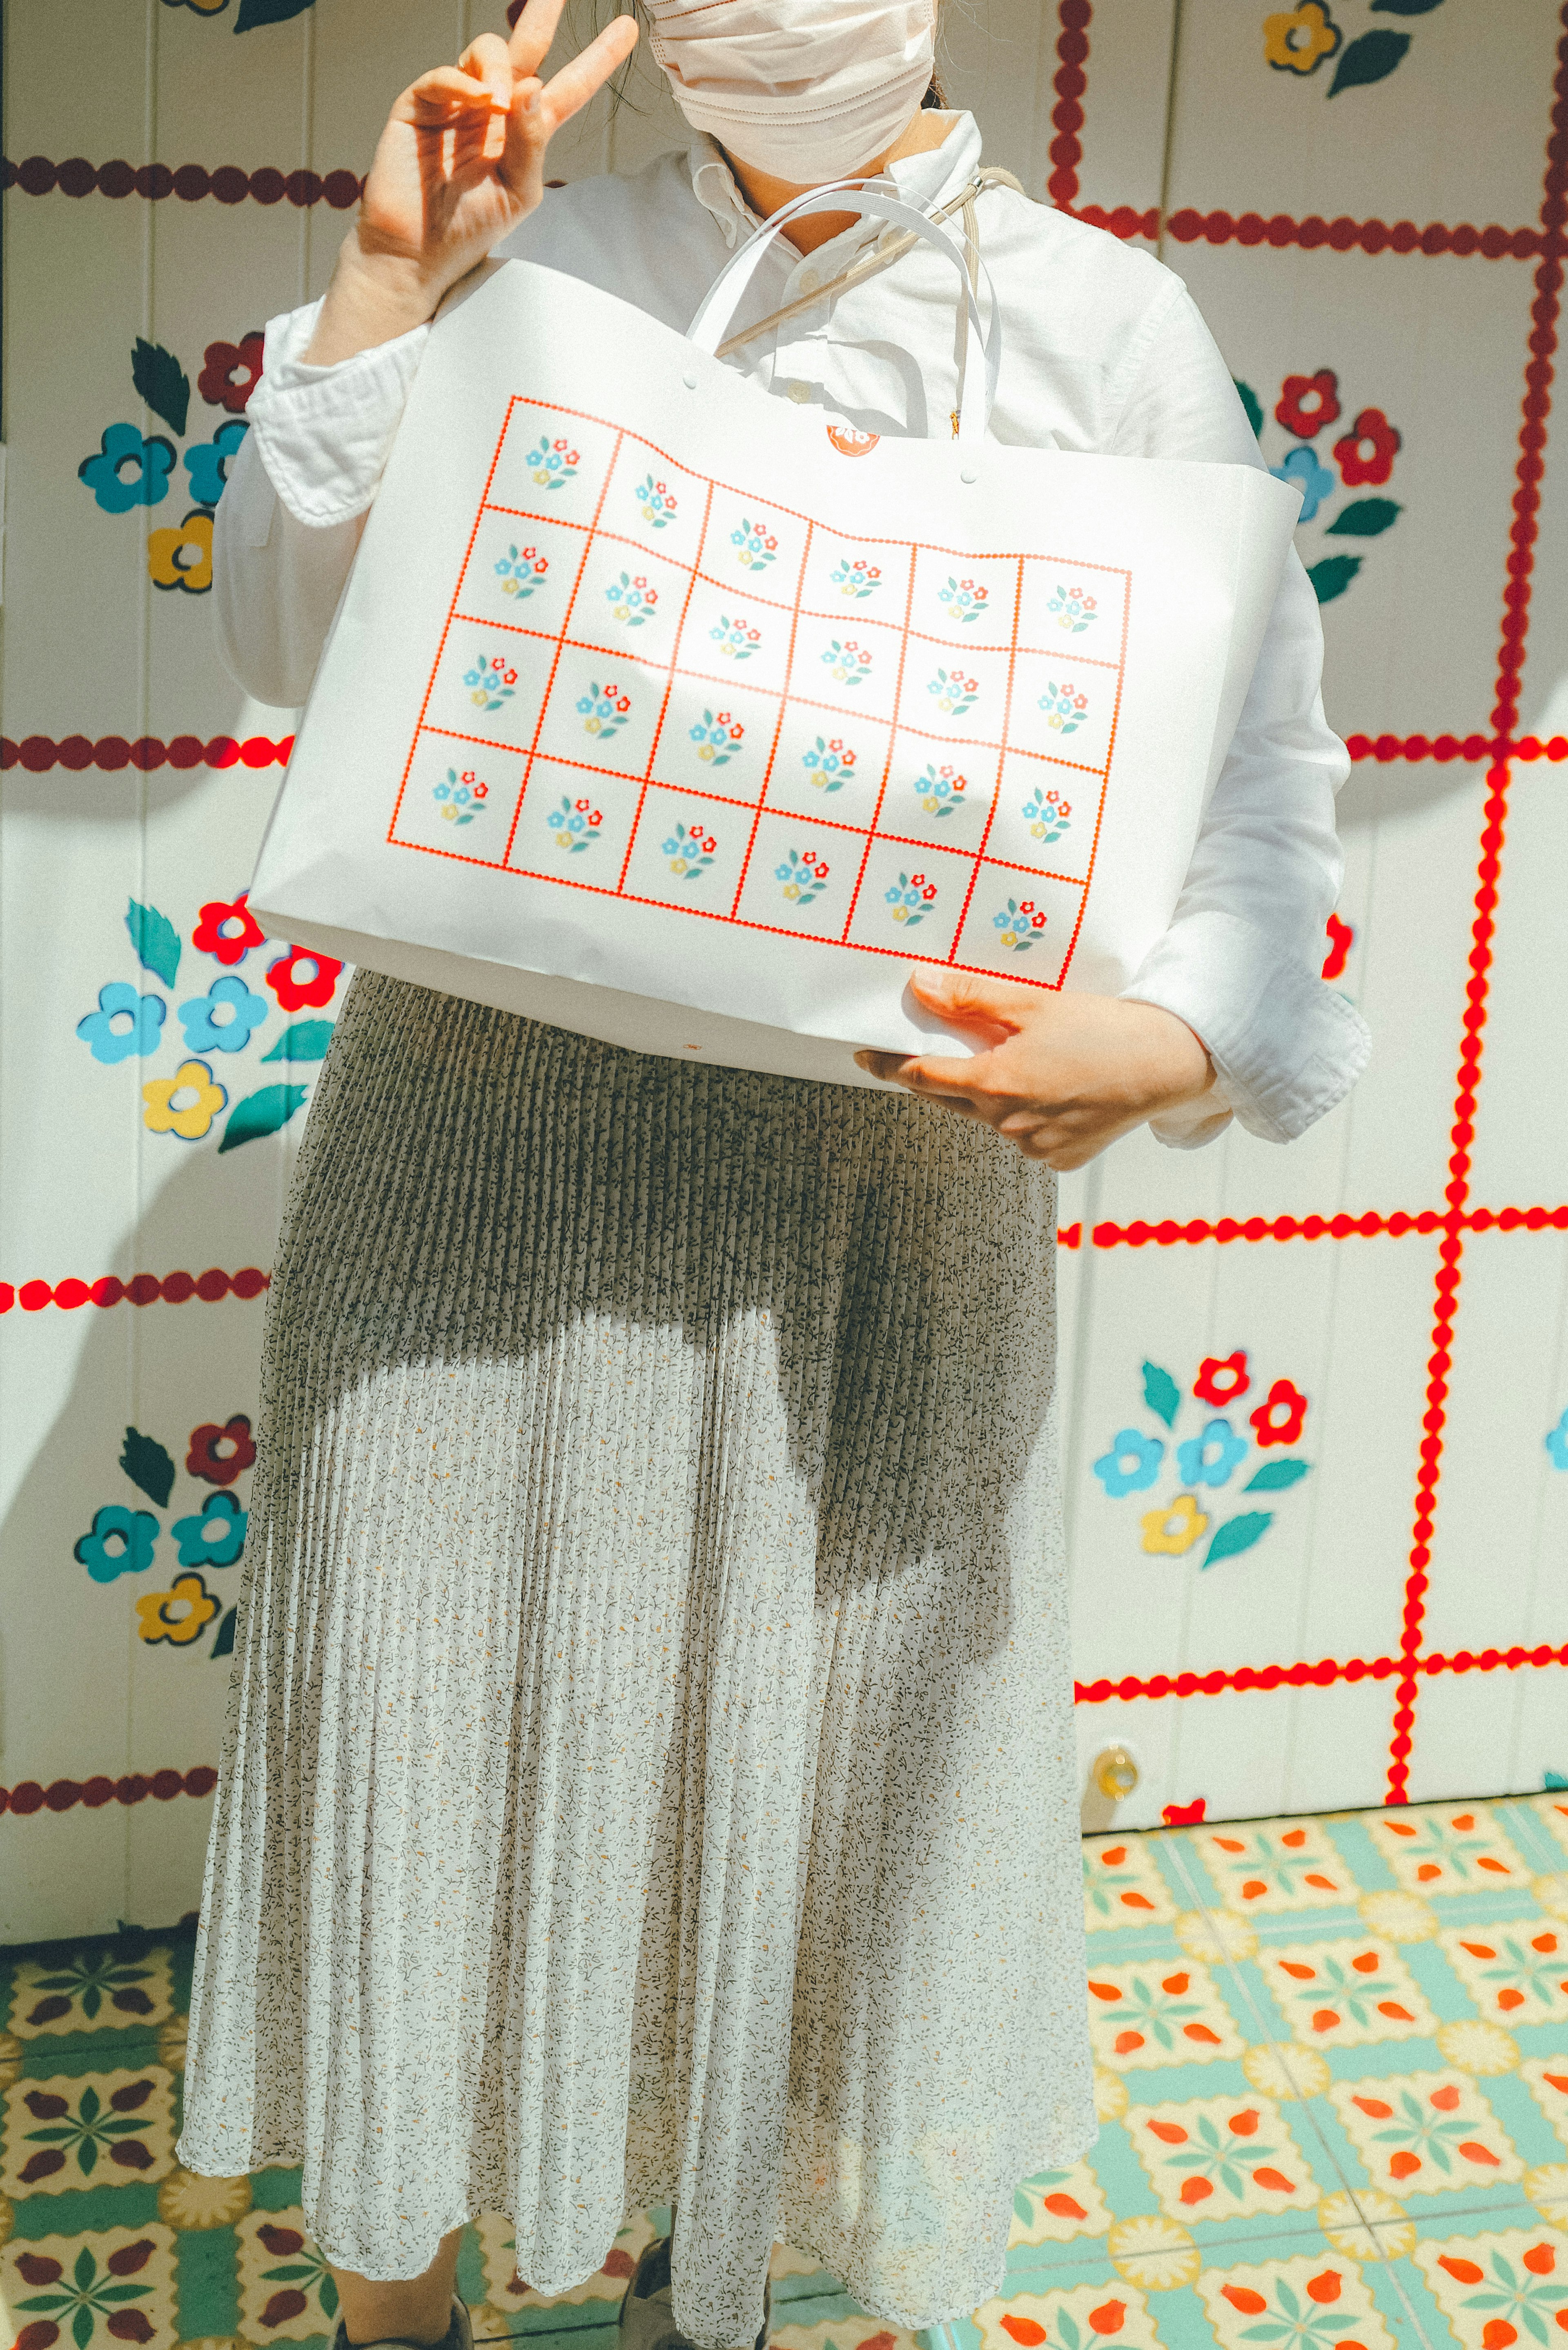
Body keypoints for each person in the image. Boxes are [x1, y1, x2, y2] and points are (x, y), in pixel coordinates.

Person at [176, 7, 1371, 2350]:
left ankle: (694, 2291)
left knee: (806, 1810)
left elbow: (1263, 785)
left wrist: (1179, 1037)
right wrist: (396, 283)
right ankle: (395, 2315)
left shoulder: (1110, 319)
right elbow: (291, 651)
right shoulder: (553, 255)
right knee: (423, 1743)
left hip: (887, 1216)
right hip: (467, 1179)